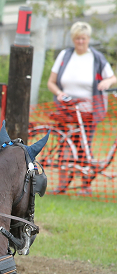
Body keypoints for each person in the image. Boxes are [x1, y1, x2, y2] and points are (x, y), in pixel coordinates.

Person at [46, 21, 116, 192]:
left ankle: (86, 184)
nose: (80, 42)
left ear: (88, 39)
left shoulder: (97, 58)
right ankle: (62, 184)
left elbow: (112, 78)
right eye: (77, 38)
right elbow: (51, 82)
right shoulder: (65, 55)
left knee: (85, 146)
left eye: (83, 38)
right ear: (73, 39)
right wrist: (59, 93)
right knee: (64, 146)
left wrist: (106, 82)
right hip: (66, 108)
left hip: (89, 111)